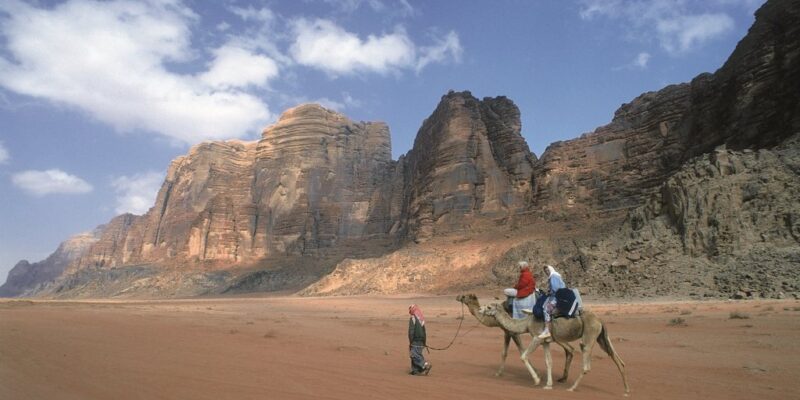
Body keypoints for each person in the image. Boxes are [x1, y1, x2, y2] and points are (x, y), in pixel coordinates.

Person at [538, 265, 566, 339]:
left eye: (548, 270)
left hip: (557, 297)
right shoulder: (556, 275)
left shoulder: (553, 276)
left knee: (546, 309)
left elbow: (555, 289)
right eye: (546, 271)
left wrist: (549, 292)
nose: (547, 272)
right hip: (561, 296)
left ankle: (547, 330)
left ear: (551, 269)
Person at [408, 304, 432, 375]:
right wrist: (424, 342)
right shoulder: (421, 319)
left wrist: (411, 341)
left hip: (415, 340)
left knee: (414, 354)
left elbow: (411, 331)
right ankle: (415, 370)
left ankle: (425, 365)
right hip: (421, 340)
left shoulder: (413, 318)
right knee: (417, 353)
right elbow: (424, 332)